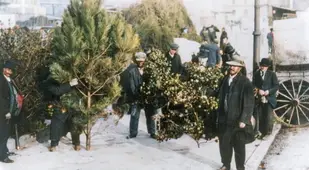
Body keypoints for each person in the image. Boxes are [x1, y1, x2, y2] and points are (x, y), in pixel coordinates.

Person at [217, 55, 255, 170]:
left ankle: (240, 167)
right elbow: (219, 94)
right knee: (224, 144)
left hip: (237, 119)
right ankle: (226, 164)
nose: (232, 68)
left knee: (239, 146)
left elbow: (249, 103)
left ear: (239, 68)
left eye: (235, 66)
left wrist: (244, 119)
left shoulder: (245, 82)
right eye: (231, 65)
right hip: (225, 118)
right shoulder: (224, 80)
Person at [41, 74, 81, 152]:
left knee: (74, 123)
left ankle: (77, 143)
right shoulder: (51, 79)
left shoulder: (72, 73)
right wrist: (69, 84)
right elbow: (57, 91)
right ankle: (54, 144)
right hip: (60, 105)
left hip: (73, 105)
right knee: (56, 125)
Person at [126, 52, 156, 139]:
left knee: (150, 114)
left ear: (145, 61)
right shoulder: (132, 72)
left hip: (148, 97)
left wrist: (149, 94)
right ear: (136, 61)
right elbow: (132, 86)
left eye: (142, 61)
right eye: (139, 61)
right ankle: (133, 133)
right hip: (136, 96)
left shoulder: (149, 70)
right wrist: (137, 95)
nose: (140, 63)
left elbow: (152, 83)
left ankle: (152, 132)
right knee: (134, 115)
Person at [0, 60, 22, 163]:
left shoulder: (9, 80)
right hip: (3, 112)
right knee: (3, 134)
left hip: (10, 111)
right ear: (3, 69)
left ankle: (4, 151)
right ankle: (3, 156)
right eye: (7, 69)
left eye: (10, 70)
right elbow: (1, 98)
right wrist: (5, 111)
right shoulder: (1, 80)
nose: (9, 71)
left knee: (6, 133)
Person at [252, 58, 279, 138]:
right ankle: (260, 132)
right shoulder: (257, 74)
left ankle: (268, 133)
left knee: (268, 117)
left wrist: (268, 91)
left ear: (267, 67)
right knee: (260, 115)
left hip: (269, 98)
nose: (262, 67)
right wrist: (257, 90)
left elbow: (276, 86)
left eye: (264, 66)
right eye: (261, 65)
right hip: (260, 98)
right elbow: (253, 84)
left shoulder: (272, 74)